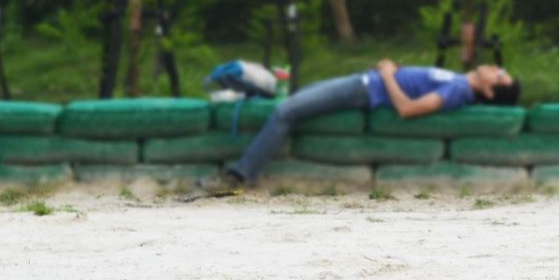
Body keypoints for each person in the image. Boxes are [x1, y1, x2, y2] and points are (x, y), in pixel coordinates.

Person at [202, 61, 520, 191]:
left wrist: (387, 74)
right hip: (363, 82)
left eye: (500, 75)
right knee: (293, 102)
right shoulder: (460, 80)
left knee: (285, 112)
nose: (496, 68)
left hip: (366, 89)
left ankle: (241, 175)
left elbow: (408, 109)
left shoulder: (459, 91)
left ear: (490, 92)